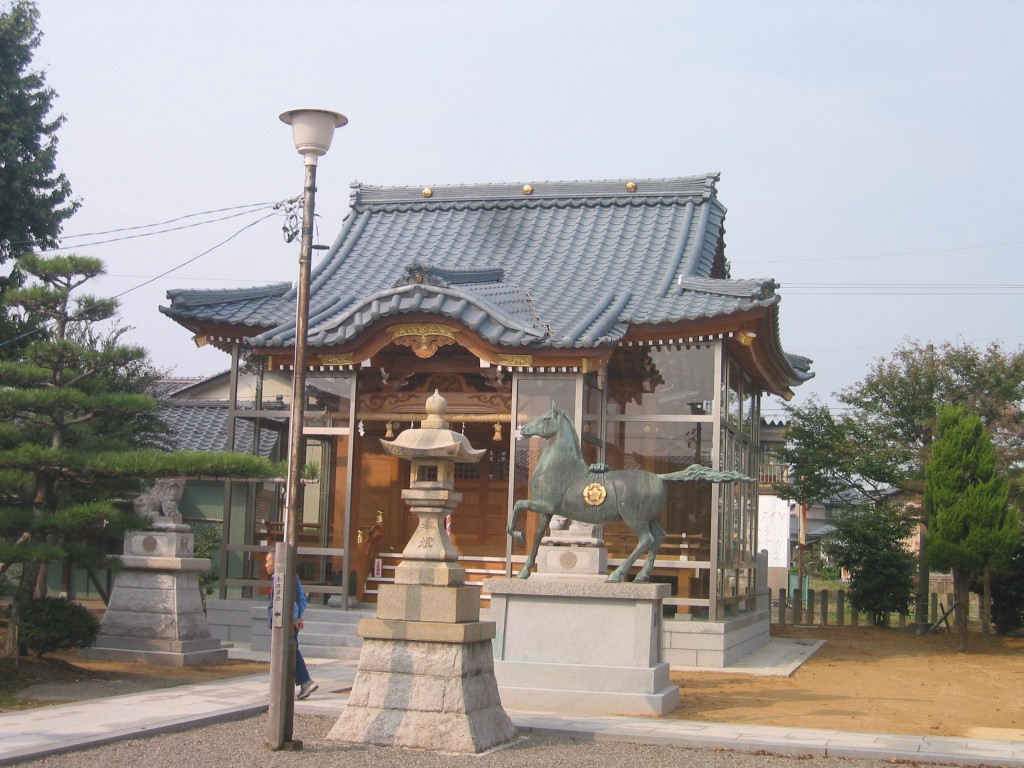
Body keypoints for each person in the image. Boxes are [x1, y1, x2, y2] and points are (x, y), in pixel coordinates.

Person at [265, 550, 318, 700]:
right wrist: (298, 616)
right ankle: (296, 684)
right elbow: (301, 599)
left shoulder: (280, 578)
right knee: (290, 651)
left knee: (284, 653)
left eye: (268, 561)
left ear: (276, 562)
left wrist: (295, 618)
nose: (265, 565)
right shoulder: (293, 576)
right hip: (289, 620)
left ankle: (297, 684)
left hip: (284, 622)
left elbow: (291, 601)